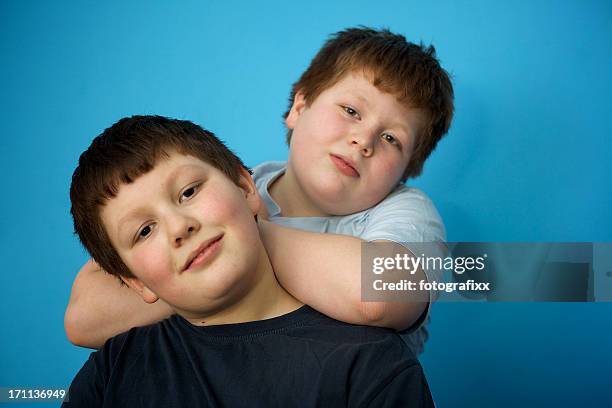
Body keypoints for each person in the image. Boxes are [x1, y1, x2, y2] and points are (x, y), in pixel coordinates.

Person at [64, 27, 454, 354]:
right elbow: (86, 318)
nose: (363, 140)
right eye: (351, 111)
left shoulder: (409, 215)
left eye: (391, 138)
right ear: (299, 107)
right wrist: (220, 239)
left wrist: (239, 236)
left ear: (408, 170)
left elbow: (378, 294)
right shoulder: (227, 189)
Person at [63, 115, 434, 407]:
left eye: (189, 192)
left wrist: (249, 227)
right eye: (144, 231)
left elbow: (382, 292)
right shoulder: (112, 371)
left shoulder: (369, 366)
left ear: (246, 188)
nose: (179, 226)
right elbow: (80, 321)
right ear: (135, 282)